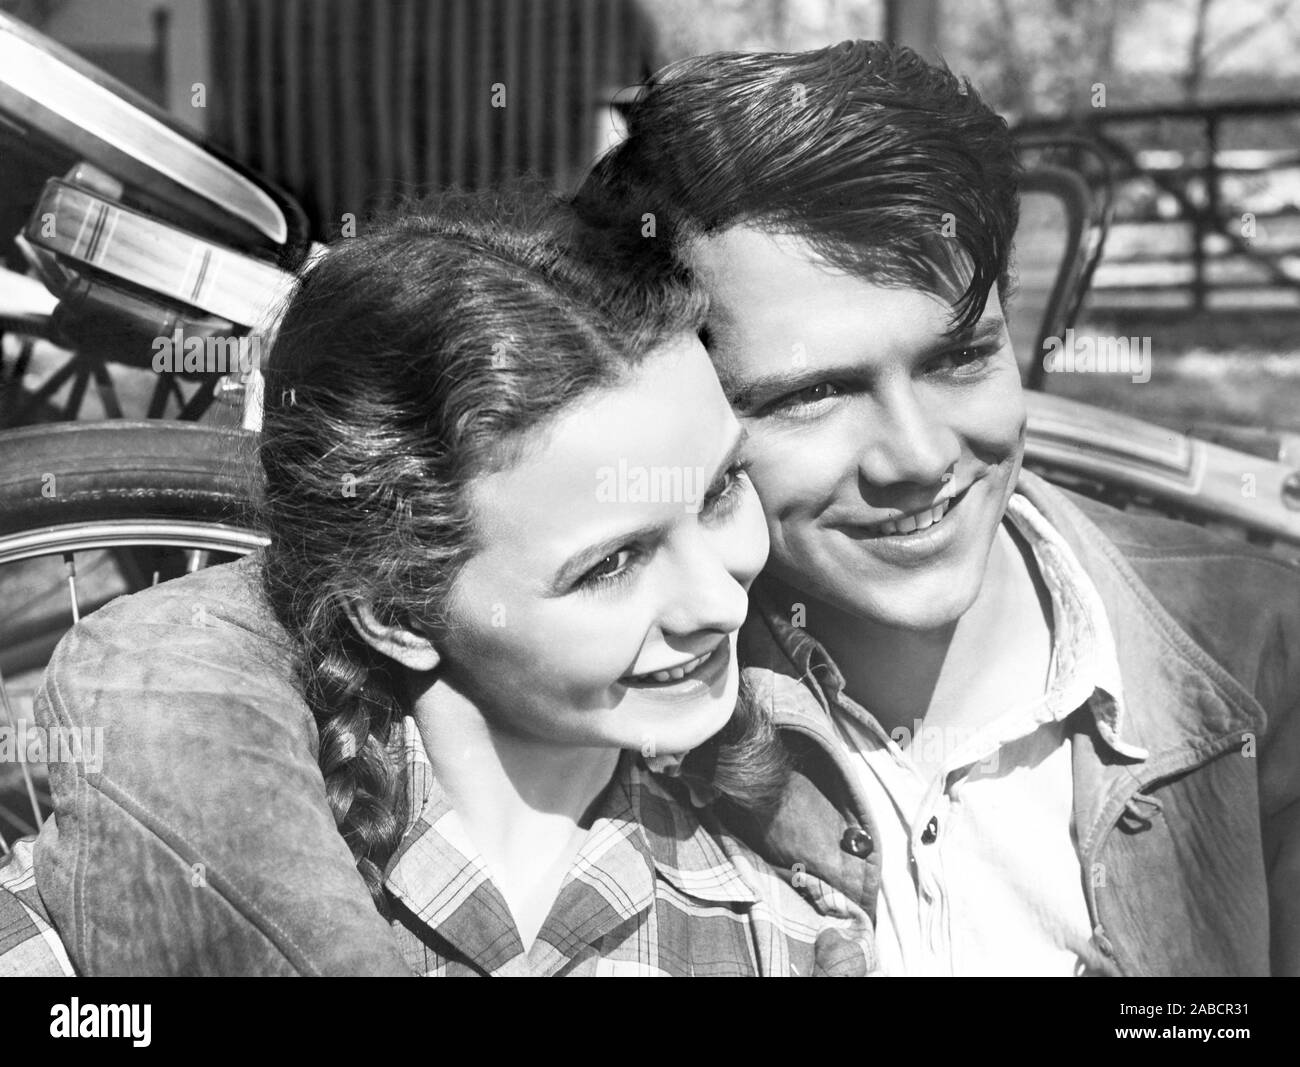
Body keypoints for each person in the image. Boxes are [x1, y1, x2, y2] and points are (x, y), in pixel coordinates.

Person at [31, 40, 1300, 978]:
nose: (919, 457)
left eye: (962, 355)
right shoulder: (667, 662)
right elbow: (184, 652)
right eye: (809, 397)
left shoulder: (1253, 651)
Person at [13, 188, 871, 976]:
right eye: (612, 563)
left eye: (720, 490)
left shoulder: (785, 940)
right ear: (395, 608)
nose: (721, 599)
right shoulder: (89, 907)